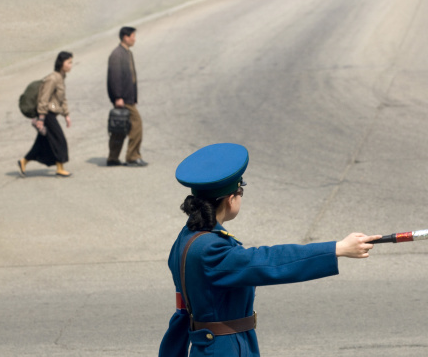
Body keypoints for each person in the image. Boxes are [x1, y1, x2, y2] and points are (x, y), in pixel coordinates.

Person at [158, 143, 381, 357]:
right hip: (225, 350)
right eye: (241, 192)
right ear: (230, 199)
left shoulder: (186, 238)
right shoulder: (210, 249)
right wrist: (337, 249)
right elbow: (269, 262)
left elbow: (182, 312)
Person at [18, 51, 73, 177]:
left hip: (51, 114)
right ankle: (60, 168)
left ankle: (23, 162)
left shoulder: (60, 77)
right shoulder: (53, 78)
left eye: (71, 62)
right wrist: (41, 119)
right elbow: (43, 98)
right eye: (68, 62)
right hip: (47, 114)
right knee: (60, 140)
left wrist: (66, 115)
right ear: (61, 63)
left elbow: (62, 98)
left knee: (42, 143)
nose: (71, 65)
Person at [106, 26, 147, 167]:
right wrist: (118, 96)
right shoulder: (117, 54)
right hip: (123, 98)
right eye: (132, 36)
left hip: (128, 98)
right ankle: (132, 156)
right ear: (125, 37)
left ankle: (113, 158)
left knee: (120, 128)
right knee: (136, 125)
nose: (134, 39)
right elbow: (115, 77)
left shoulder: (127, 53)